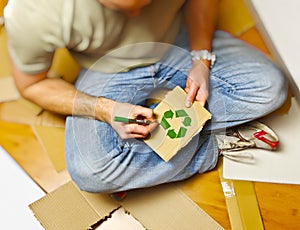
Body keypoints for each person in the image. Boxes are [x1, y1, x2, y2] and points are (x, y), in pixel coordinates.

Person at [4, 0, 287, 193]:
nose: (136, 15)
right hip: (106, 68)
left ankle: (176, 145)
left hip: (180, 39)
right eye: (120, 8)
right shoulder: (34, 10)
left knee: (270, 88)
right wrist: (105, 109)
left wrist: (201, 59)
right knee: (91, 171)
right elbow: (32, 85)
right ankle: (217, 142)